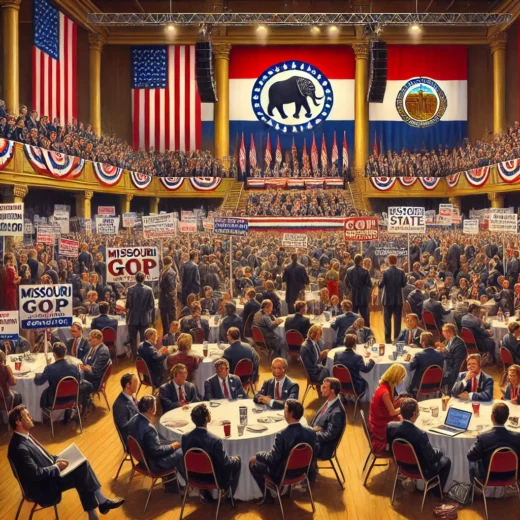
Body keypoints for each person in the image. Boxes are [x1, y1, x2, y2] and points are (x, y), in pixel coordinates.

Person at [8, 405, 124, 519]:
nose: (31, 418)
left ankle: (96, 510)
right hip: (43, 488)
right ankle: (100, 505)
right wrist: (57, 467)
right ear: (18, 422)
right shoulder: (20, 448)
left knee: (81, 466)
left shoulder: (23, 438)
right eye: (27, 416)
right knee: (82, 469)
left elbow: (44, 458)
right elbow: (36, 474)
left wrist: (57, 458)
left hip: (47, 477)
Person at [387, 398, 452, 497]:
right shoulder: (420, 434)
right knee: (446, 461)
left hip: (401, 465)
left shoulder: (390, 427)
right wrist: (439, 451)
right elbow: (431, 457)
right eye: (418, 412)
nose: (418, 414)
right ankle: (437, 493)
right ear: (413, 414)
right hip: (419, 469)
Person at [249, 399, 316, 496]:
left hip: (284, 474)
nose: (284, 413)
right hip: (303, 472)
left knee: (253, 462)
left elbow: (273, 459)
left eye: (285, 410)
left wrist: (258, 454)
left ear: (291, 413)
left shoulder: (282, 435)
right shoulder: (311, 432)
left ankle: (267, 496)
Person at [181, 403, 241, 500]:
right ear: (206, 419)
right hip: (213, 479)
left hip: (193, 477)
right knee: (237, 461)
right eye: (209, 413)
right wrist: (235, 459)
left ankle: (206, 494)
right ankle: (228, 497)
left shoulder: (185, 437)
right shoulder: (215, 441)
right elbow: (225, 464)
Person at [35, 342, 92, 419]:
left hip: (55, 400)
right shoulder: (74, 367)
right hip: (72, 398)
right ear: (65, 353)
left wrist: (37, 374)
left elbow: (39, 382)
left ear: (54, 354)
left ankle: (44, 418)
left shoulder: (50, 368)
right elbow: (77, 382)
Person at [127, 396, 182, 476]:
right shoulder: (148, 428)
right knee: (183, 450)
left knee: (170, 441)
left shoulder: (133, 419)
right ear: (150, 410)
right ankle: (183, 482)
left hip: (143, 459)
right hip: (155, 464)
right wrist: (172, 446)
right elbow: (157, 451)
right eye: (155, 406)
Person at [467, 402, 520, 484]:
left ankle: (474, 489)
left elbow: (471, 456)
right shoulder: (517, 437)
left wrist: (475, 443)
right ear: (507, 418)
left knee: (472, 461)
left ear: (492, 417)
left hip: (489, 476)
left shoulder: (483, 437)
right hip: (511, 475)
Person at [369, 363, 407, 453]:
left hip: (379, 417)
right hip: (380, 424)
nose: (402, 381)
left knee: (402, 419)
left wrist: (400, 401)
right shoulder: (385, 392)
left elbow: (390, 405)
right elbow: (392, 412)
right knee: (405, 424)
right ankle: (399, 449)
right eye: (401, 378)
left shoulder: (385, 386)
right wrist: (405, 407)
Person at [310, 377, 347, 463]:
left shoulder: (337, 412)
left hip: (323, 448)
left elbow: (330, 435)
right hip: (317, 439)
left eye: (324, 387)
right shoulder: (329, 401)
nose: (321, 389)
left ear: (332, 390)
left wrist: (310, 433)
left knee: (293, 445)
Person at [378, 254, 407, 344]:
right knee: (398, 321)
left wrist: (380, 279)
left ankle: (387, 341)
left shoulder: (385, 272)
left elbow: (380, 285)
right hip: (398, 300)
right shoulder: (401, 272)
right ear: (397, 261)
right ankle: (397, 339)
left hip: (387, 300)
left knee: (387, 321)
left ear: (389, 261)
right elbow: (403, 284)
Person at [126, 271, 155, 358]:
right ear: (144, 279)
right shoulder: (149, 290)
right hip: (144, 317)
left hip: (132, 317)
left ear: (135, 279)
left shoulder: (130, 289)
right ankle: (142, 356)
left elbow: (128, 304)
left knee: (133, 339)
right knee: (144, 339)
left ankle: (134, 357)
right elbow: (152, 305)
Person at [438, 323, 467, 394]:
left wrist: (444, 351)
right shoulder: (452, 341)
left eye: (443, 331)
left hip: (453, 370)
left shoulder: (458, 344)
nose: (442, 333)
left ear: (449, 332)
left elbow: (456, 363)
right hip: (450, 367)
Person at [112, 373, 139, 447]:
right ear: (128, 385)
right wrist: (140, 420)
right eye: (135, 382)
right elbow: (124, 428)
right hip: (133, 442)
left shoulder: (131, 397)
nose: (137, 384)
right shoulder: (119, 406)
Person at [346, 254, 373, 326]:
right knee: (365, 316)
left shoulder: (349, 270)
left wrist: (351, 288)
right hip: (363, 296)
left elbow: (346, 282)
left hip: (353, 295)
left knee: (353, 315)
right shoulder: (365, 271)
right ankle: (367, 332)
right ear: (361, 261)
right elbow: (370, 285)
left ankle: (353, 331)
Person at [159, 256, 178, 334]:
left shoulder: (162, 271)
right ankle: (172, 335)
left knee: (164, 319)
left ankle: (166, 334)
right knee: (171, 318)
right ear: (171, 262)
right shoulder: (171, 272)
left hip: (163, 299)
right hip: (169, 299)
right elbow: (172, 287)